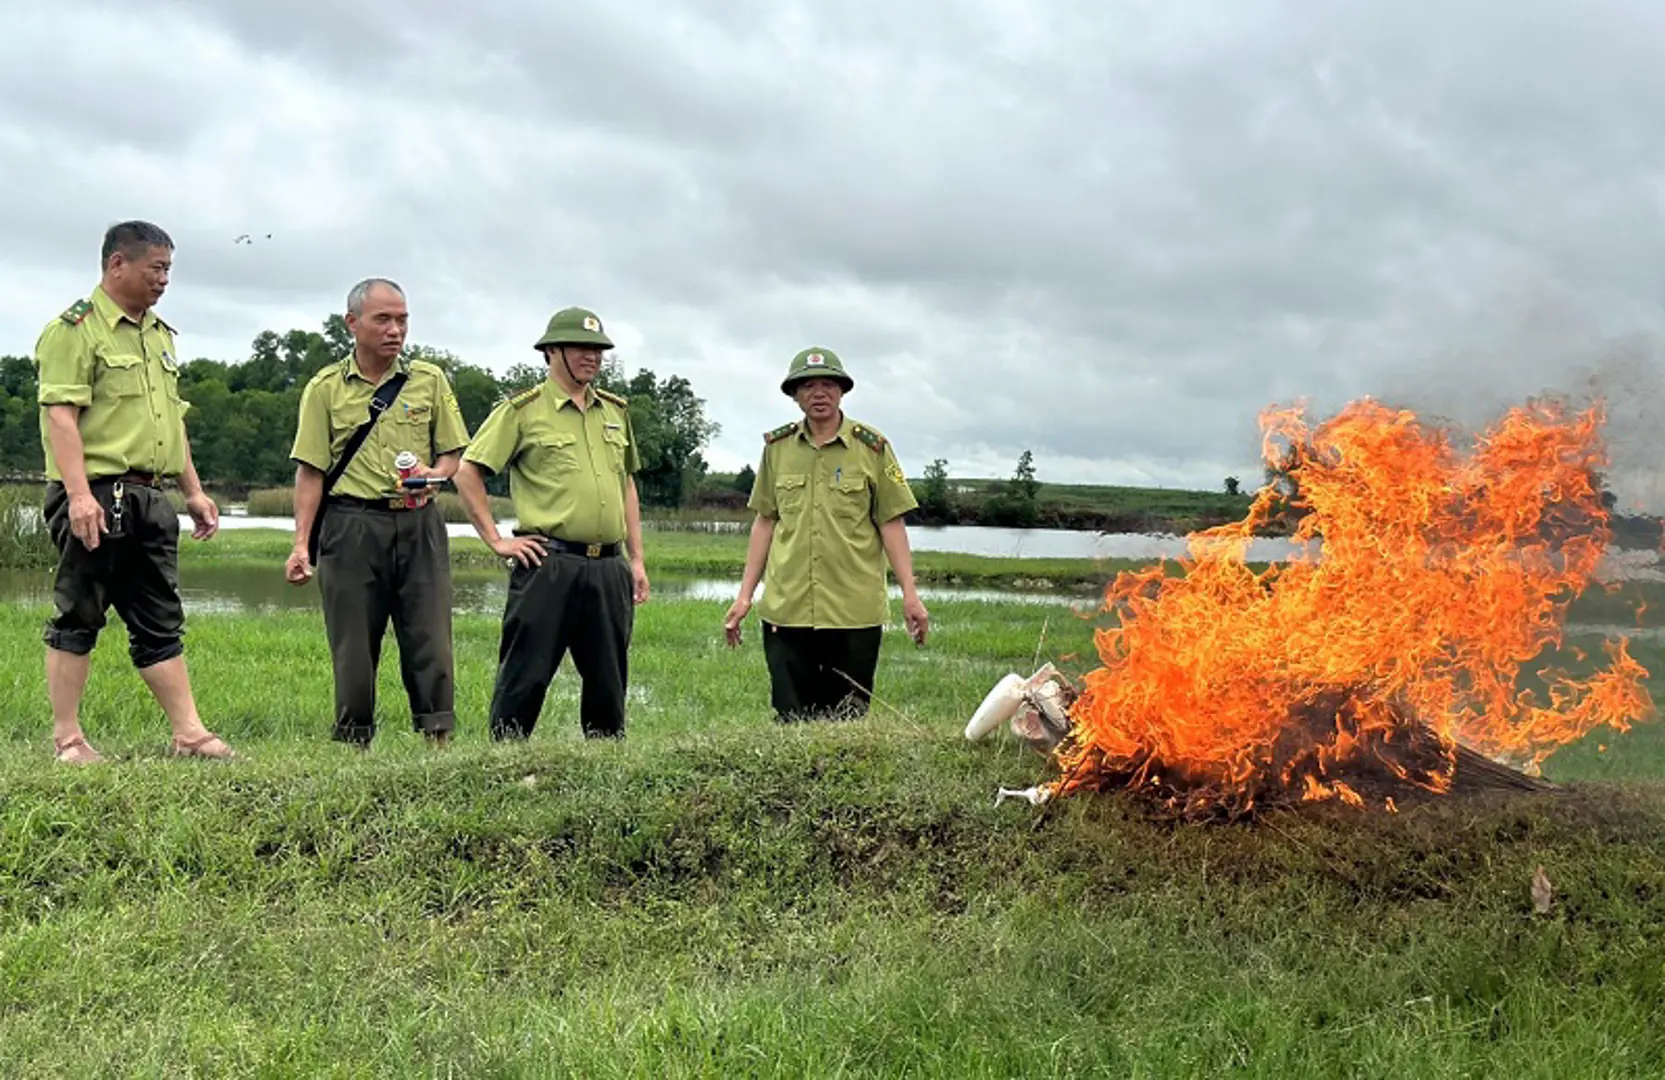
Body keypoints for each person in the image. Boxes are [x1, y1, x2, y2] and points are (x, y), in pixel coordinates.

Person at [33, 220, 234, 763]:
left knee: (160, 614)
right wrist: (78, 496)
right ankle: (68, 739)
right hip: (96, 492)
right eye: (156, 268)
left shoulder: (160, 336)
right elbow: (61, 418)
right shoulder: (75, 330)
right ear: (117, 263)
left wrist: (192, 491)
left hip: (151, 495)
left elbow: (173, 421)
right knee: (80, 612)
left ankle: (189, 733)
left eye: (168, 269)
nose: (164, 279)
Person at [283, 278, 470, 748]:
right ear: (352, 323)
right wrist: (301, 544)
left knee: (430, 637)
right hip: (351, 525)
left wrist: (435, 473)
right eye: (382, 319)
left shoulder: (429, 380)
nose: (395, 330)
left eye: (402, 319)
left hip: (419, 519)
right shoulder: (324, 388)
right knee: (352, 645)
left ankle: (438, 741)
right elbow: (310, 473)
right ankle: (354, 742)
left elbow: (453, 456)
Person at [453, 306, 649, 741]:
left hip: (607, 567)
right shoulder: (522, 410)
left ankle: (605, 764)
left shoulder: (615, 412)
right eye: (581, 348)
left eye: (598, 350)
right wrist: (497, 540)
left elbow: (627, 484)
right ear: (551, 351)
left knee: (608, 680)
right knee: (526, 673)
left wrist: (637, 560)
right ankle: (504, 763)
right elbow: (468, 472)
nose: (592, 357)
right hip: (548, 563)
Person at [723, 347, 929, 722]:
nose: (819, 393)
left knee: (847, 721)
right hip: (787, 608)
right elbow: (765, 521)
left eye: (828, 385)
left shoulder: (872, 448)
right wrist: (744, 596)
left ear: (842, 391)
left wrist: (911, 596)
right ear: (795, 394)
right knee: (791, 718)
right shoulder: (778, 449)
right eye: (808, 386)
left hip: (854, 611)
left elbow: (891, 522)